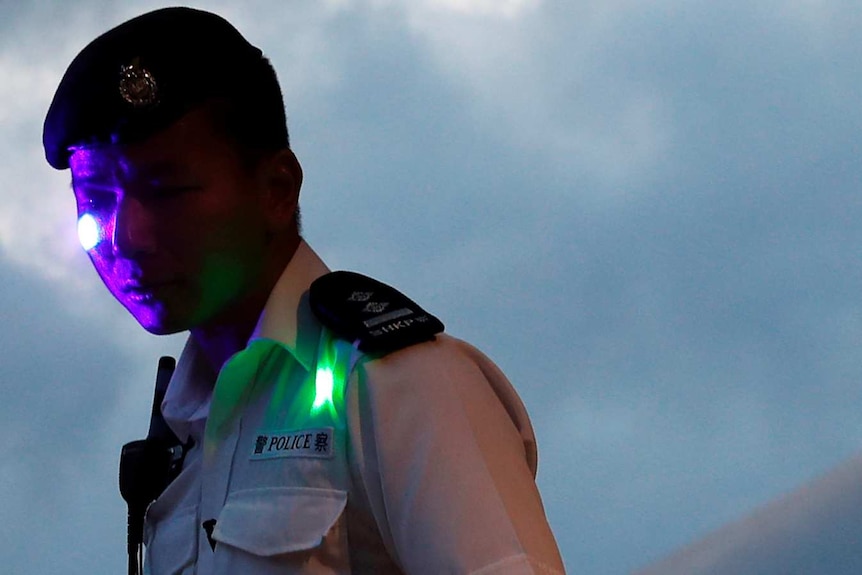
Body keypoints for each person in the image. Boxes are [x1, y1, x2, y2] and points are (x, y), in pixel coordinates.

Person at [43, 7, 565, 574]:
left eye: (168, 190)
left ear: (276, 189)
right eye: (95, 198)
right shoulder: (181, 436)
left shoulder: (399, 385)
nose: (126, 236)